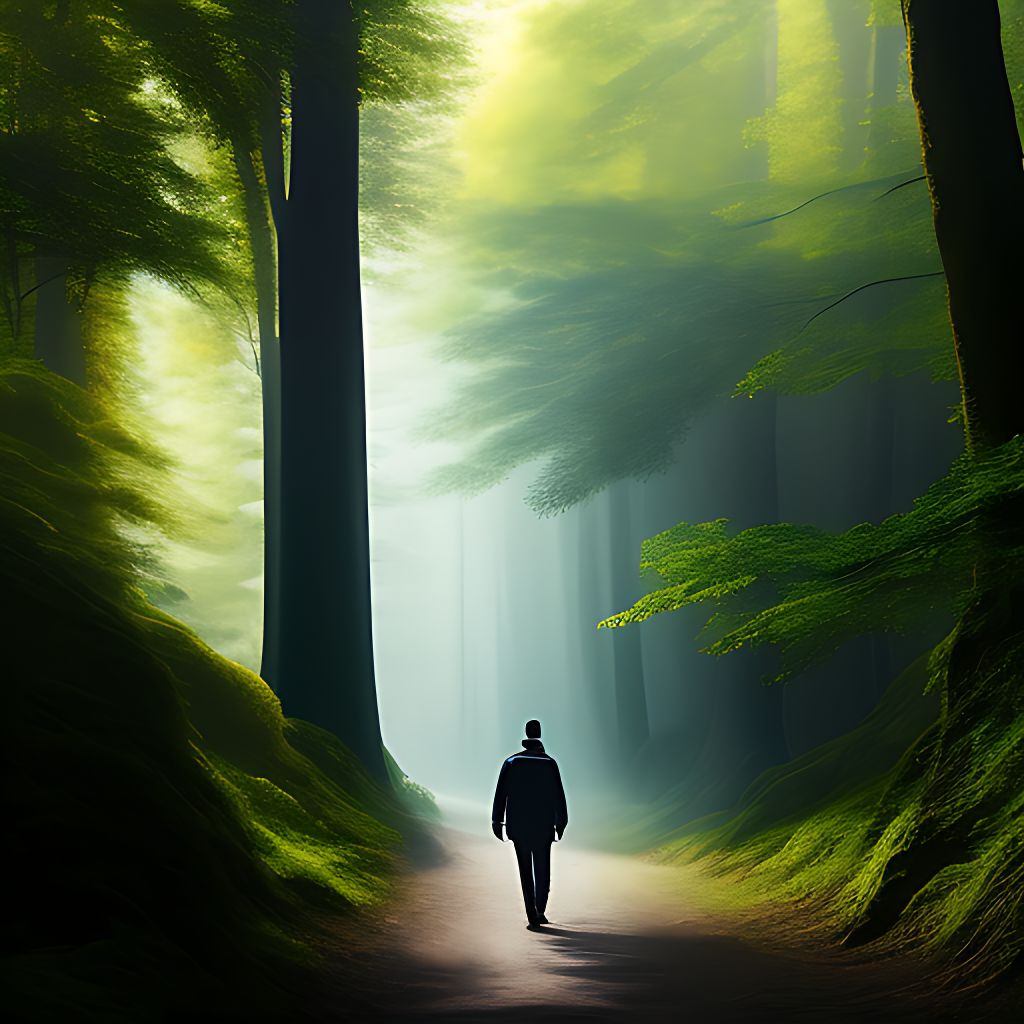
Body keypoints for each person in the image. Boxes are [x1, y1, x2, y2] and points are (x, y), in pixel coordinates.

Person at [490, 719, 568, 929]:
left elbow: (501, 794)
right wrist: (561, 822)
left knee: (525, 869)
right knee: (543, 868)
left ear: (525, 735)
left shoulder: (511, 762)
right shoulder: (549, 763)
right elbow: (558, 796)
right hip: (543, 825)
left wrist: (497, 820)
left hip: (518, 825)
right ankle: (540, 909)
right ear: (540, 734)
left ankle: (531, 913)